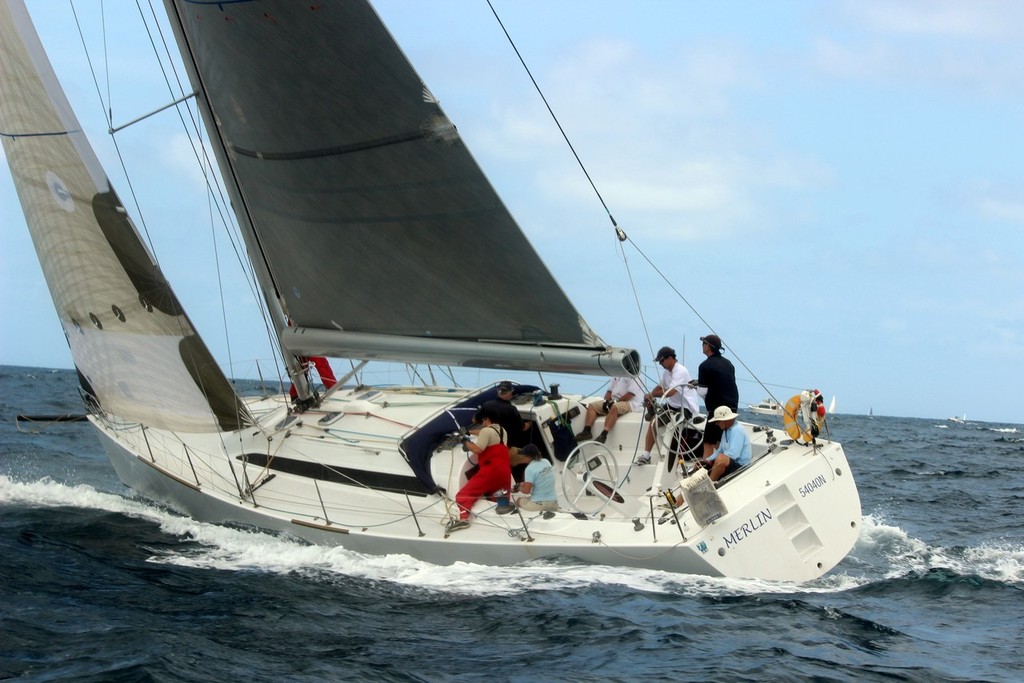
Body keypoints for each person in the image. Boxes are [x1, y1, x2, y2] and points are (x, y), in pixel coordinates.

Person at [447, 409, 512, 533]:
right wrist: (469, 432)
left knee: (463, 495)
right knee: (497, 499)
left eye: (483, 421)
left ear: (487, 419)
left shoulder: (486, 431)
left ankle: (464, 519)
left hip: (491, 471)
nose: (482, 423)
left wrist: (464, 441)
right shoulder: (502, 431)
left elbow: (478, 449)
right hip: (504, 471)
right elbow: (485, 433)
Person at [635, 346, 699, 465]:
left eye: (662, 361)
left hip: (685, 407)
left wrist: (654, 394)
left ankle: (673, 460)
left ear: (670, 358)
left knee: (673, 423)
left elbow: (671, 392)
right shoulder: (666, 372)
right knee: (654, 422)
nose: (660, 364)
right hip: (671, 406)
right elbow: (660, 387)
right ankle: (646, 456)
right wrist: (650, 395)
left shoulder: (680, 370)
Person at [693, 334, 739, 459]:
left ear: (708, 347)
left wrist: (696, 386)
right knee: (720, 442)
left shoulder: (704, 366)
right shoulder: (728, 363)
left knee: (708, 442)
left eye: (703, 344)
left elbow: (702, 392)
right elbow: (724, 382)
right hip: (732, 409)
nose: (702, 346)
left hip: (717, 411)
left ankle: (703, 472)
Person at [574, 375, 644, 444]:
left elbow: (630, 394)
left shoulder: (636, 375)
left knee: (615, 407)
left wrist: (615, 402)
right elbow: (609, 391)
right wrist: (606, 402)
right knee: (592, 406)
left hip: (629, 402)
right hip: (614, 401)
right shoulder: (616, 372)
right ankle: (587, 431)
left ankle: (603, 435)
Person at [697, 405, 751, 482]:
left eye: (718, 421)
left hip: (741, 467)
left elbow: (733, 455)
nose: (716, 424)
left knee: (721, 458)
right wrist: (707, 461)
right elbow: (720, 450)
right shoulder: (726, 430)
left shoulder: (737, 430)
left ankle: (710, 484)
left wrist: (714, 462)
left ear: (726, 420)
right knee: (701, 465)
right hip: (730, 463)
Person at [513, 444, 559, 513]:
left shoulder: (529, 469)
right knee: (529, 498)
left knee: (519, 500)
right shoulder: (546, 461)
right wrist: (523, 483)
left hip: (540, 505)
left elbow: (526, 491)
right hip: (554, 502)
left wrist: (518, 488)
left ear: (528, 456)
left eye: (523, 455)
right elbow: (541, 478)